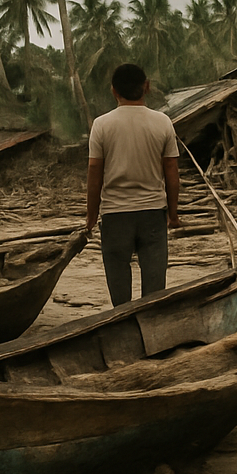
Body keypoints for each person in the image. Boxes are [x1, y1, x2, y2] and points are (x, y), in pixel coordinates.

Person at [85, 64, 181, 306]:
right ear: (146, 87)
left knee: (119, 291)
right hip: (152, 214)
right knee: (154, 287)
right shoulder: (162, 122)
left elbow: (95, 171)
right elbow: (171, 170)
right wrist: (173, 213)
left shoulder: (102, 124)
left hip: (115, 215)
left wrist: (91, 216)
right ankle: (151, 332)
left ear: (113, 91)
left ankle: (122, 329)